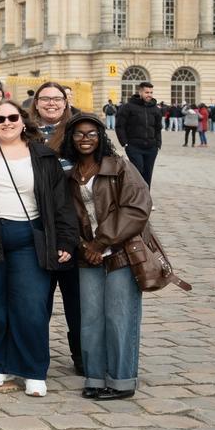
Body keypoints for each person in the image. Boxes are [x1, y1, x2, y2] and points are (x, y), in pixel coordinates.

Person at [0, 100, 78, 397]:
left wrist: (66, 239)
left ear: (23, 121)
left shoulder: (44, 156)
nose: (6, 123)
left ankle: (34, 369)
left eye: (12, 117)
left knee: (31, 306)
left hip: (28, 235)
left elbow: (60, 203)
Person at [57, 112, 150, 400]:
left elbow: (137, 207)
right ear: (71, 138)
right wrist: (86, 246)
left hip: (120, 250)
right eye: (79, 134)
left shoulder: (119, 166)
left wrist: (101, 242)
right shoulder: (68, 174)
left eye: (92, 134)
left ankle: (122, 381)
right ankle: (95, 376)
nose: (85, 140)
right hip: (88, 254)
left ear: (101, 137)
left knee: (120, 316)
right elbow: (66, 215)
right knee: (91, 319)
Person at [114, 82, 162, 189]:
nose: (149, 95)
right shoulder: (128, 107)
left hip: (151, 147)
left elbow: (158, 128)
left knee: (148, 174)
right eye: (146, 92)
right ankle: (137, 199)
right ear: (140, 92)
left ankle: (146, 200)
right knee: (138, 172)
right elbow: (119, 126)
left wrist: (158, 144)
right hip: (134, 146)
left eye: (151, 92)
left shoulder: (156, 109)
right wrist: (124, 143)